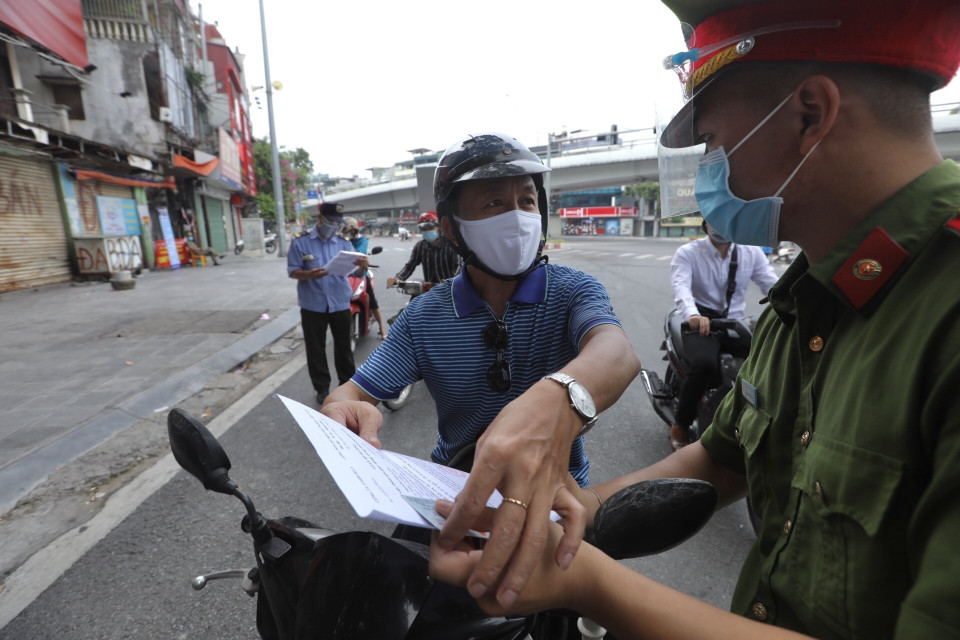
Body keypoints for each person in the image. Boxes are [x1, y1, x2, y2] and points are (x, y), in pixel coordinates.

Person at [430, 0, 960, 636]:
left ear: (809, 115)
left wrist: (580, 579)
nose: (710, 166)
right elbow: (720, 458)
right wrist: (566, 514)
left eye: (711, 140)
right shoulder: (811, 292)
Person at [322, 132, 641, 600]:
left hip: (555, 506)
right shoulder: (424, 317)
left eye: (527, 201)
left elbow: (616, 352)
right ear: (452, 229)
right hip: (454, 504)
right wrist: (345, 413)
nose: (517, 217)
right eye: (494, 202)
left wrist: (558, 399)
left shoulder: (575, 291)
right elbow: (347, 396)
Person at [668, 220, 778, 451]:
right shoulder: (688, 252)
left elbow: (772, 284)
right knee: (704, 365)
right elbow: (681, 287)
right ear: (705, 224)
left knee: (765, 364)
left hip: (734, 323)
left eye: (727, 220)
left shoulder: (751, 252)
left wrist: (792, 299)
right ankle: (681, 425)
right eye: (715, 221)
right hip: (701, 323)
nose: (721, 226)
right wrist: (692, 314)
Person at [287, 202, 369, 405]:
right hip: (312, 304)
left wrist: (362, 268)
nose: (334, 226)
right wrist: (308, 274)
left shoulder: (343, 242)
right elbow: (292, 271)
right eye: (331, 221)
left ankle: (346, 384)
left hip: (340, 302)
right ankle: (322, 388)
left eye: (337, 222)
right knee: (316, 349)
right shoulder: (301, 241)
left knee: (344, 347)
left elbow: (355, 272)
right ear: (320, 217)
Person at [341, 216, 388, 339]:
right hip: (345, 274)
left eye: (348, 232)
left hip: (361, 274)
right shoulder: (343, 240)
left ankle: (382, 329)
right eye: (345, 232)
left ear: (354, 230)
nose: (347, 235)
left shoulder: (363, 241)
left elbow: (359, 254)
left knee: (373, 301)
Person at [386, 211, 461, 287]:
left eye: (430, 228)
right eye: (424, 229)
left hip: (450, 289)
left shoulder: (451, 246)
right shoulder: (420, 247)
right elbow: (410, 265)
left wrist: (453, 281)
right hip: (429, 290)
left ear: (438, 227)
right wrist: (398, 278)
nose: (427, 231)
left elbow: (458, 268)